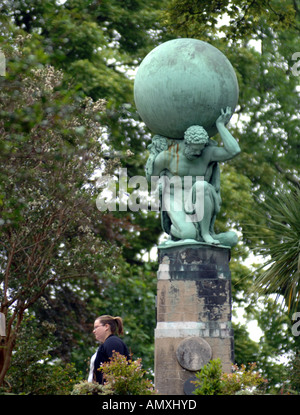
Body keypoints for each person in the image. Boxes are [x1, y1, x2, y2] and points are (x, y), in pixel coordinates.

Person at [88, 315, 130, 384]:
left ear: (106, 327)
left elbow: (118, 370)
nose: (94, 331)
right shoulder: (107, 344)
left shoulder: (112, 342)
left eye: (96, 327)